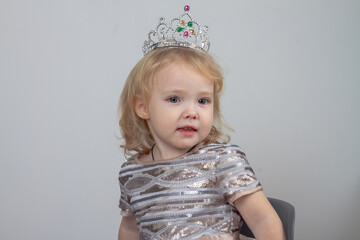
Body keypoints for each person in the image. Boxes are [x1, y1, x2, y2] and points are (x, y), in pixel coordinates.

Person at [117, 5, 286, 240]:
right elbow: (129, 229)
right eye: (175, 99)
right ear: (143, 106)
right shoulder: (132, 174)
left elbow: (263, 219)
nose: (192, 112)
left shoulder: (222, 160)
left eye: (203, 100)